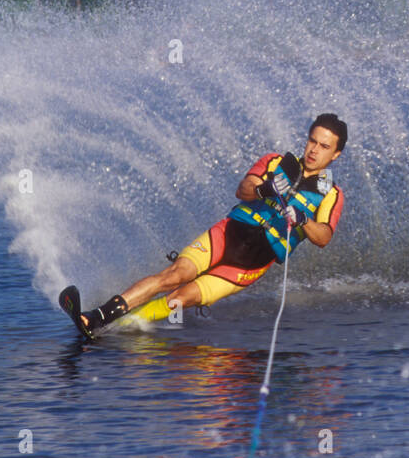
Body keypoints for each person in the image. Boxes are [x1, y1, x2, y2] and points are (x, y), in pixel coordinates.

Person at [60, 113, 347, 336]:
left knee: (180, 298)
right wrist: (266, 189)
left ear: (335, 154)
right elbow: (244, 188)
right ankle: (97, 316)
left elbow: (324, 237)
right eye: (312, 141)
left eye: (324, 146)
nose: (314, 150)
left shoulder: (331, 196)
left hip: (248, 266)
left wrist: (304, 220)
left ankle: (116, 328)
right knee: (175, 275)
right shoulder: (275, 162)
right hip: (227, 234)